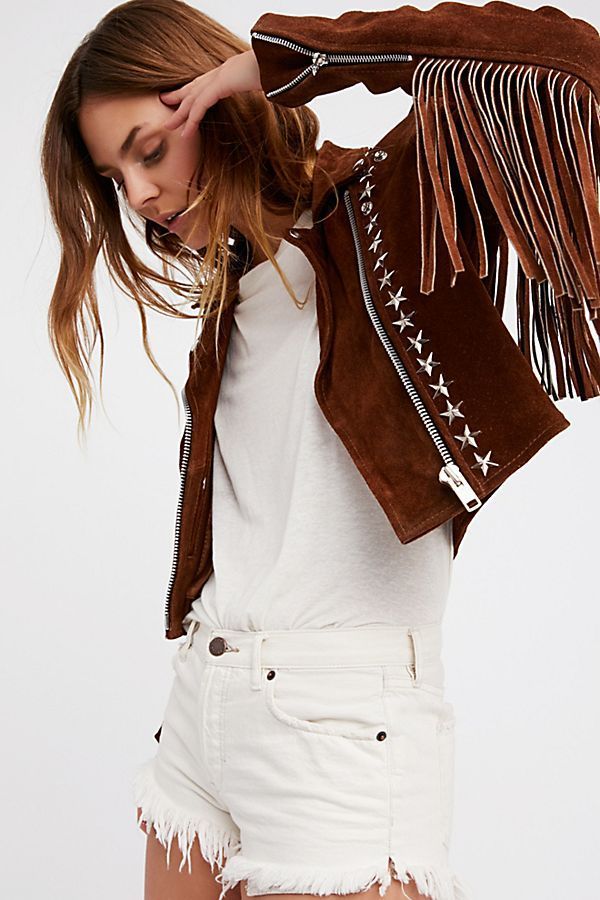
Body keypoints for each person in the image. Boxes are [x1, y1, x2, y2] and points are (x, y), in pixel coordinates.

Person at [40, 1, 599, 899]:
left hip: (340, 733)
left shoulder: (392, 209)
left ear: (216, 103)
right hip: (202, 706)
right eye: (117, 175)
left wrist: (283, 62)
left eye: (149, 150)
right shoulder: (234, 296)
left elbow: (567, 61)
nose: (138, 195)